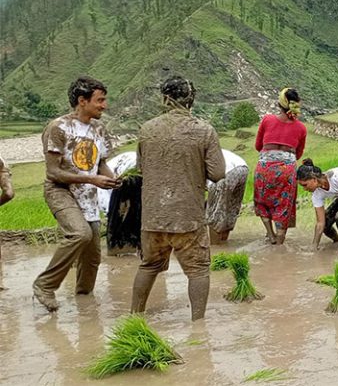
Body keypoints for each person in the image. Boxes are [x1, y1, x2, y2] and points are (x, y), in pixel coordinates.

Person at [130, 76, 225, 321]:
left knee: (149, 266)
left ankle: (134, 318)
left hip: (153, 216)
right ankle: (198, 326)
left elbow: (140, 168)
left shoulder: (146, 129)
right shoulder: (204, 131)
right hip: (187, 216)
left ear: (165, 98)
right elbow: (218, 173)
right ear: (191, 100)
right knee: (198, 270)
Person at [32, 77, 119, 312]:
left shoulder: (99, 129)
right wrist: (92, 179)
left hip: (87, 194)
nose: (104, 105)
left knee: (92, 258)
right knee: (80, 234)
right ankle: (45, 285)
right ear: (82, 101)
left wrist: (113, 179)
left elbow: (100, 164)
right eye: (100, 100)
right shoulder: (58, 128)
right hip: (60, 191)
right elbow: (53, 172)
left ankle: (85, 302)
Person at [253, 88, 307, 245]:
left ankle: (270, 235)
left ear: (279, 104)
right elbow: (298, 154)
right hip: (286, 171)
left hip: (264, 168)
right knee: (283, 206)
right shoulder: (301, 128)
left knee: (262, 201)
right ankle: (280, 241)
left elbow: (258, 146)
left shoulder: (267, 120)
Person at [205, 149, 249, 244]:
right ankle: (223, 241)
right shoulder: (207, 149)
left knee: (214, 212)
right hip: (242, 167)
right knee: (231, 208)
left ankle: (215, 246)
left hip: (225, 171)